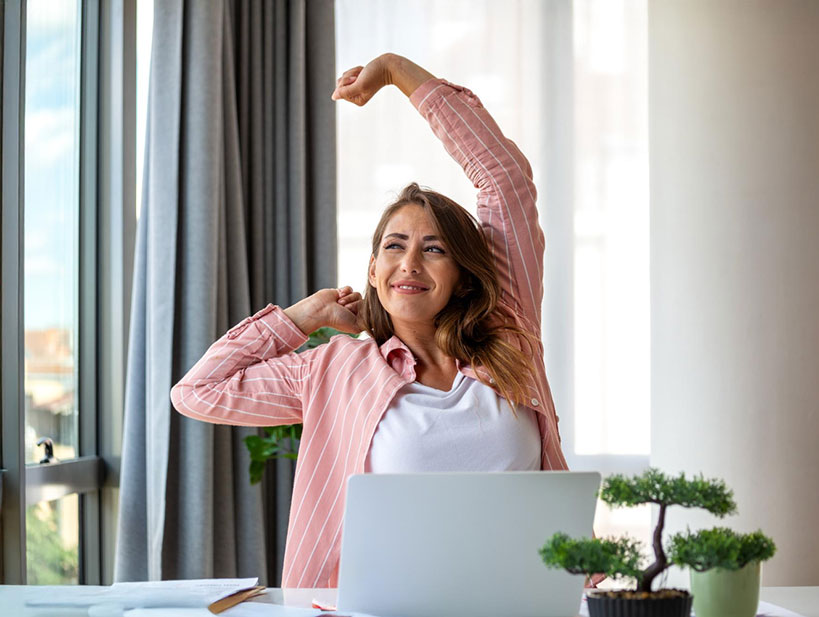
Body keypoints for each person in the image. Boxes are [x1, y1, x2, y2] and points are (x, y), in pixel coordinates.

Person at [170, 53, 568, 589]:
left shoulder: (509, 331)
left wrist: (396, 71)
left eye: (434, 249)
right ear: (375, 271)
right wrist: (299, 318)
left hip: (521, 598)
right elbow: (198, 392)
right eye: (395, 247)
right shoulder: (333, 371)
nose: (410, 263)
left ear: (463, 276)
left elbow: (506, 179)